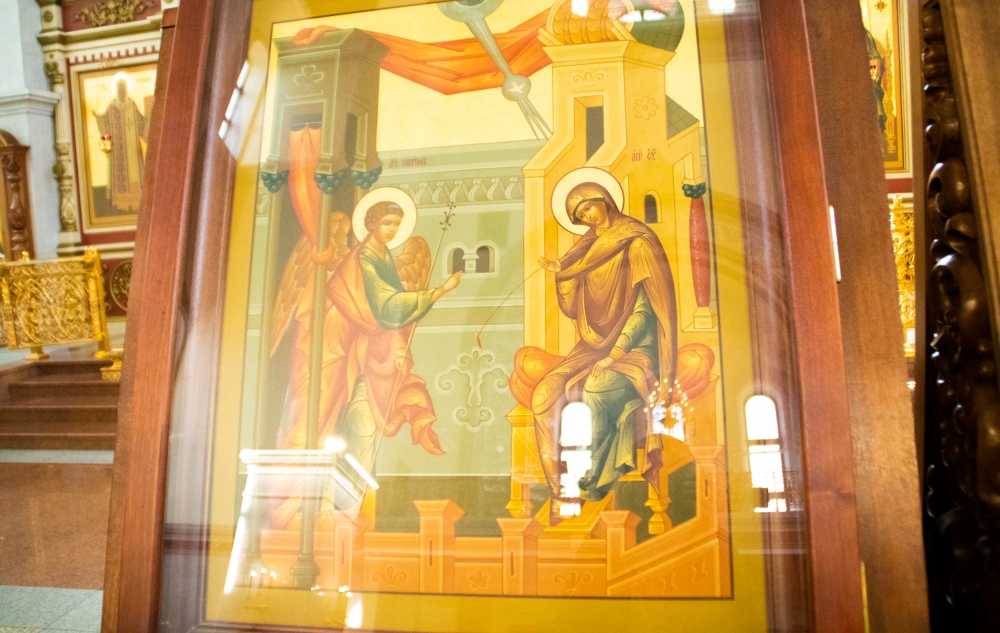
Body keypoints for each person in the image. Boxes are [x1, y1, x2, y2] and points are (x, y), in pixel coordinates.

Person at [274, 201, 461, 525]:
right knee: (313, 421)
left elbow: (386, 315)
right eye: (387, 222)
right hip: (332, 346)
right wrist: (438, 291)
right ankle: (288, 506)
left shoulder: (382, 258)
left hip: (357, 349)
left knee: (361, 424)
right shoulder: (363, 258)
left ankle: (340, 507)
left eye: (396, 224)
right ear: (372, 223)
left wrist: (394, 340)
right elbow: (385, 308)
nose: (392, 229)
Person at [532, 182, 677, 523]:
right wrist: (562, 274)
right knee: (543, 395)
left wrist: (616, 354)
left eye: (587, 208)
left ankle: (589, 483)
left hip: (637, 348)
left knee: (595, 388)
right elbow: (573, 309)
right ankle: (560, 492)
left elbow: (644, 311)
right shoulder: (586, 251)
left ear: (605, 200)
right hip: (594, 345)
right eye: (579, 216)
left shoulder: (637, 242)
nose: (586, 217)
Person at [93, 78, 149, 213]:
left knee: (135, 174)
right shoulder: (112, 107)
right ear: (116, 91)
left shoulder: (132, 105)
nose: (121, 91)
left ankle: (136, 202)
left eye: (123, 88)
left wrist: (148, 118)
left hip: (132, 149)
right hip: (117, 150)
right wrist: (99, 119)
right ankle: (120, 203)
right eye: (119, 89)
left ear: (126, 89)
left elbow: (141, 125)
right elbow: (105, 126)